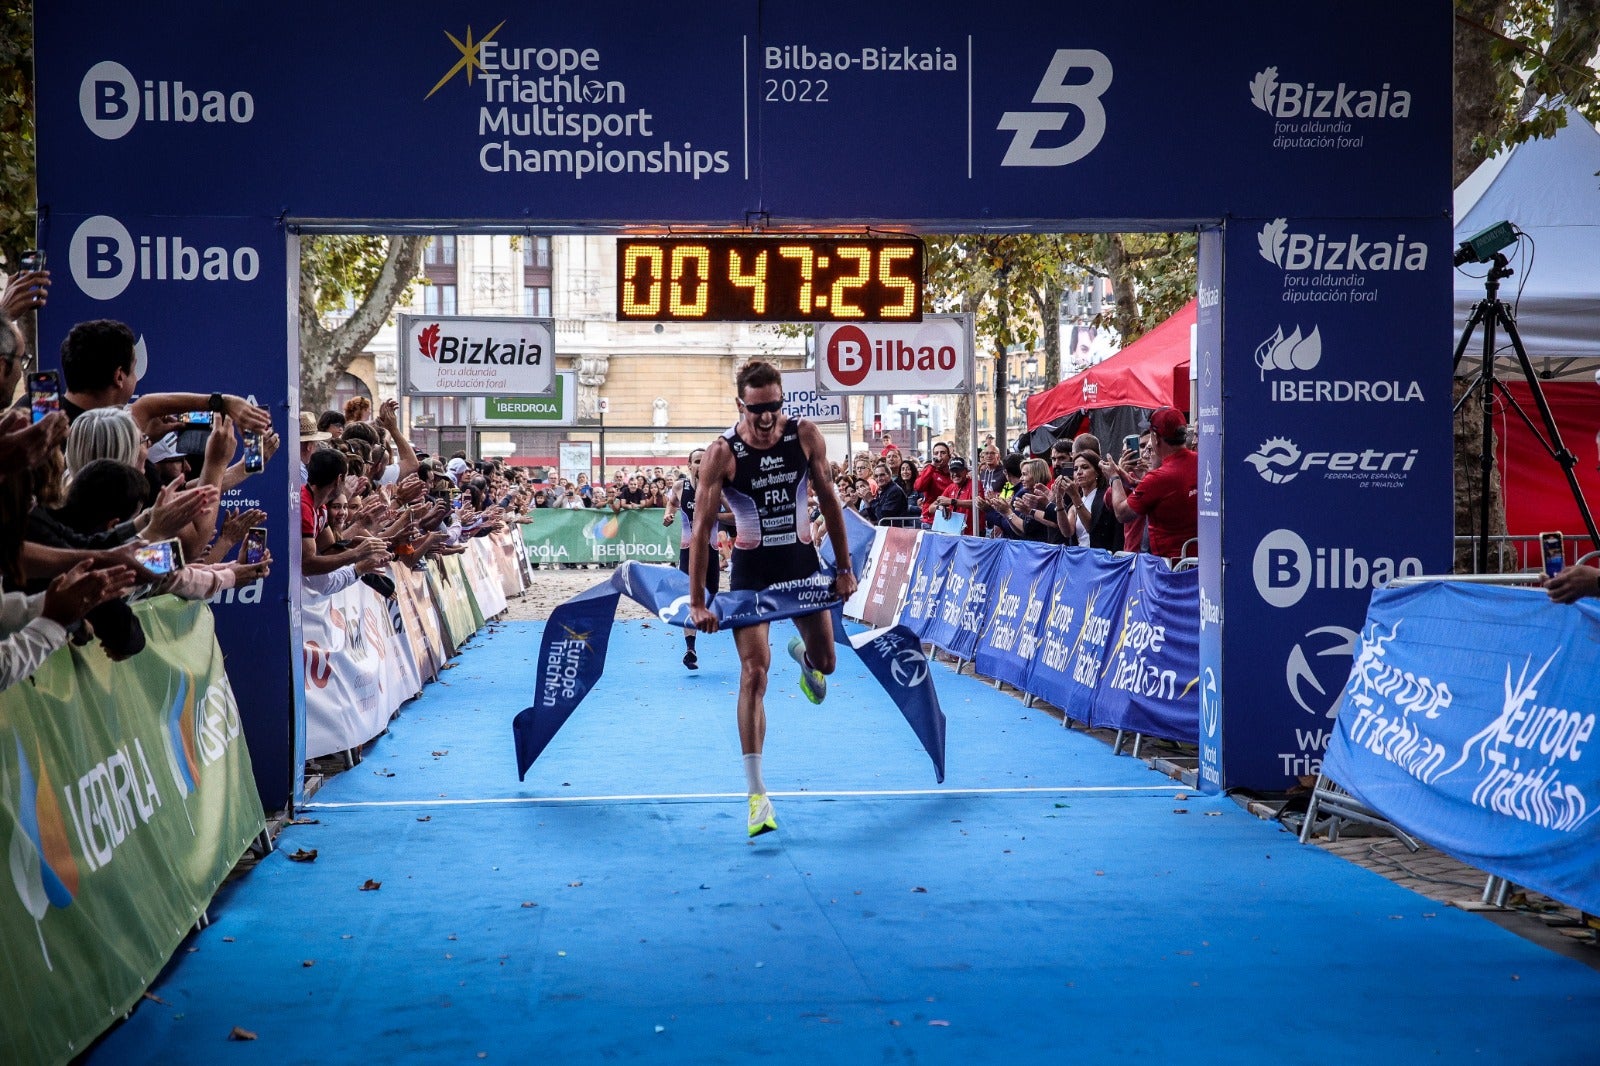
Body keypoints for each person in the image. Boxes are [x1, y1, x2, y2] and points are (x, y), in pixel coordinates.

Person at [687, 361, 856, 838]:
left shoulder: (804, 436)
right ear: (740, 405)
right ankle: (757, 795)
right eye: (757, 409)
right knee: (753, 673)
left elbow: (828, 501)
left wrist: (843, 569)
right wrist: (699, 600)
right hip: (752, 574)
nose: (766, 419)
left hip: (801, 569)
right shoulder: (723, 452)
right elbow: (700, 529)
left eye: (774, 408)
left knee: (827, 662)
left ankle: (804, 655)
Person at [1102, 407, 1197, 563]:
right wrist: (1132, 482)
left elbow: (1121, 513)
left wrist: (1114, 477)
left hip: (1169, 569)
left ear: (1155, 438)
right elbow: (1171, 490)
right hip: (1204, 568)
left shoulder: (1158, 478)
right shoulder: (1201, 461)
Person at [663, 447, 727, 669]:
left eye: (705, 461)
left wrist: (714, 515)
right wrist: (668, 515)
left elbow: (735, 515)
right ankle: (690, 648)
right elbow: (671, 503)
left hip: (710, 551)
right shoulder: (681, 486)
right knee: (689, 599)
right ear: (689, 465)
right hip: (688, 550)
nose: (701, 465)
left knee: (711, 597)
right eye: (697, 461)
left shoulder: (718, 488)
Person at [1053, 451, 1122, 550]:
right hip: (1080, 557)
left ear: (1097, 472)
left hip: (1101, 556)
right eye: (1075, 469)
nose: (1079, 472)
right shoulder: (1076, 501)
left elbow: (1092, 528)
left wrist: (1075, 496)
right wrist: (1059, 499)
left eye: (1085, 467)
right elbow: (1067, 532)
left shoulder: (1105, 495)